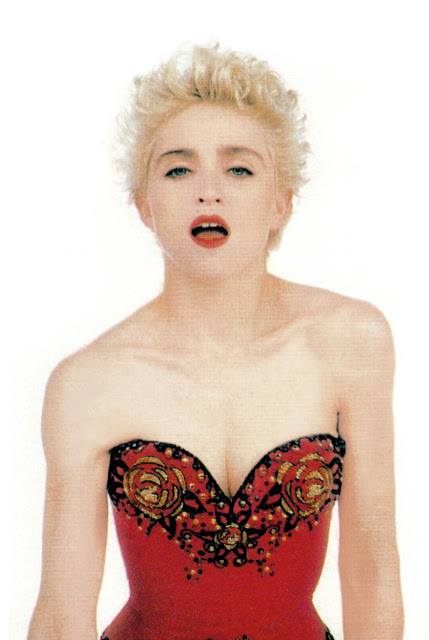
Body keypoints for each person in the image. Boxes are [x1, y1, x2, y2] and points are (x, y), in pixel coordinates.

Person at [27, 42, 404, 640]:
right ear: (144, 205)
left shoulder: (351, 341)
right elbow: (59, 616)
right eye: (178, 169)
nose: (209, 191)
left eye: (239, 169)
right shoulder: (87, 383)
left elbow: (373, 571)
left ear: (281, 202)